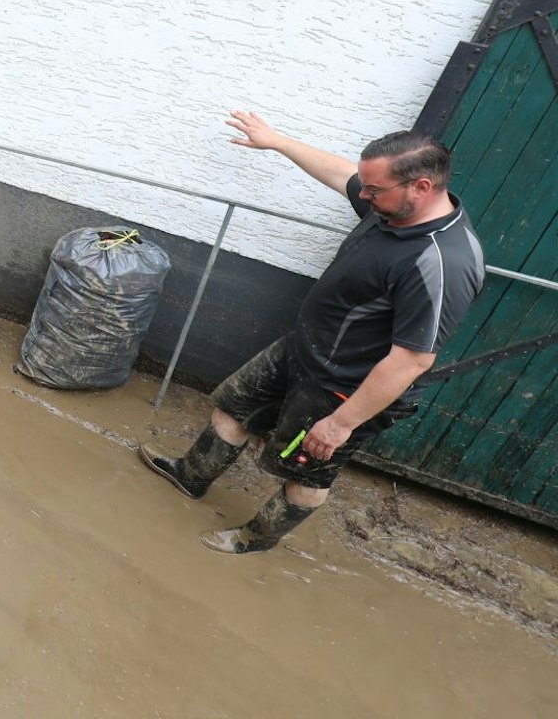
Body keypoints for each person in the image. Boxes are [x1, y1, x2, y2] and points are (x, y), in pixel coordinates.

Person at [139, 115, 485, 554]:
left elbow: (412, 359)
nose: (364, 195)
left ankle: (257, 538)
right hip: (302, 349)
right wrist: (278, 142)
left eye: (374, 190)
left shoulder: (444, 262)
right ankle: (191, 475)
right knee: (232, 408)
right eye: (366, 185)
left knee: (307, 472)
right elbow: (342, 175)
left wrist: (341, 425)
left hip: (344, 388)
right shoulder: (391, 204)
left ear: (420, 186)